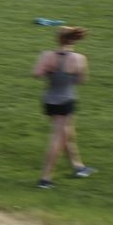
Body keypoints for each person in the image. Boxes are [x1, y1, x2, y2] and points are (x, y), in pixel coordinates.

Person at [32, 26, 94, 189]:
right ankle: (46, 178)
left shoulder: (47, 56)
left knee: (67, 133)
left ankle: (78, 166)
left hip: (49, 100)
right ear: (73, 40)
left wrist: (50, 73)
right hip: (66, 100)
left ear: (58, 39)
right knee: (58, 137)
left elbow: (37, 73)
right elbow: (81, 80)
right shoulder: (79, 59)